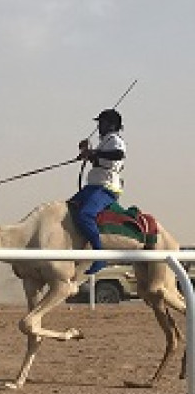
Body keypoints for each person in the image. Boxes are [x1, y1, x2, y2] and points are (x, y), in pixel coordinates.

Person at [70, 108, 127, 275]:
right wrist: (87, 154)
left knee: (85, 215)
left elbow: (118, 154)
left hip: (107, 188)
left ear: (111, 125)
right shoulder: (104, 142)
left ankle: (100, 256)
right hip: (93, 187)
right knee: (69, 209)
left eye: (101, 123)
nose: (99, 126)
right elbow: (100, 160)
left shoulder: (115, 140)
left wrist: (93, 152)